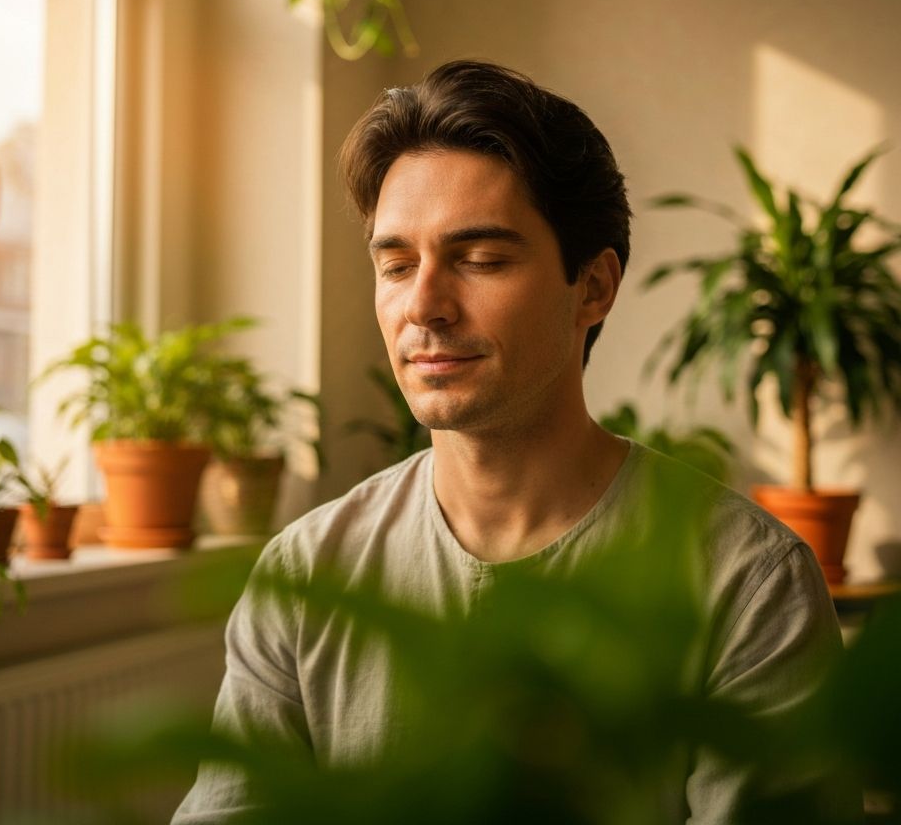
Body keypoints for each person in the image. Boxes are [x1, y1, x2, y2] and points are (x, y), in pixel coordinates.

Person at [173, 60, 846, 823]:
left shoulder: (747, 583)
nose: (423, 305)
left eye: (481, 260)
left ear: (592, 287)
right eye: (396, 264)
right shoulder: (304, 575)